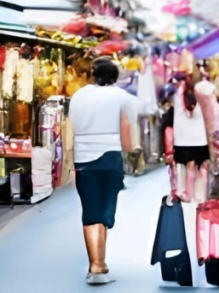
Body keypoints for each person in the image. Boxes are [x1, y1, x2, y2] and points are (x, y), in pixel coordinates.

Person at [67, 58, 139, 285]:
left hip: (83, 159)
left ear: (92, 74)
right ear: (115, 77)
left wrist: (69, 160)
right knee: (105, 212)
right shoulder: (120, 97)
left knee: (90, 211)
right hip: (110, 157)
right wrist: (130, 151)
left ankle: (95, 265)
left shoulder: (78, 95)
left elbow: (71, 127)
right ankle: (100, 264)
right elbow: (126, 126)